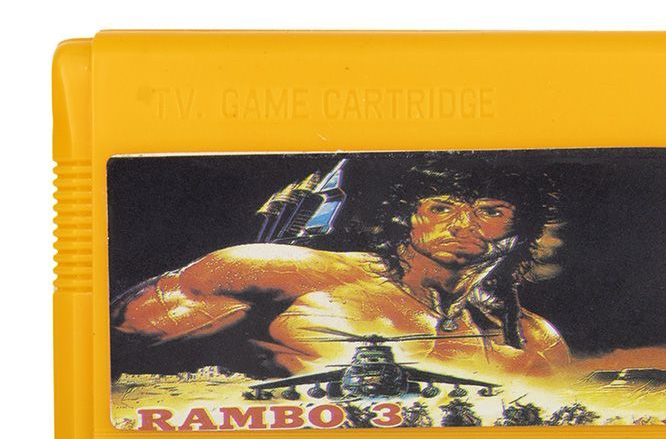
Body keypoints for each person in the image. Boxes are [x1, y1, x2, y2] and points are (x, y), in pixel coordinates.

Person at [112, 158, 569, 379]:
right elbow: (110, 348)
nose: (462, 225)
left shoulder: (535, 341)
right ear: (407, 217)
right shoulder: (279, 272)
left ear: (521, 231)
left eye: (490, 212)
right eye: (441, 207)